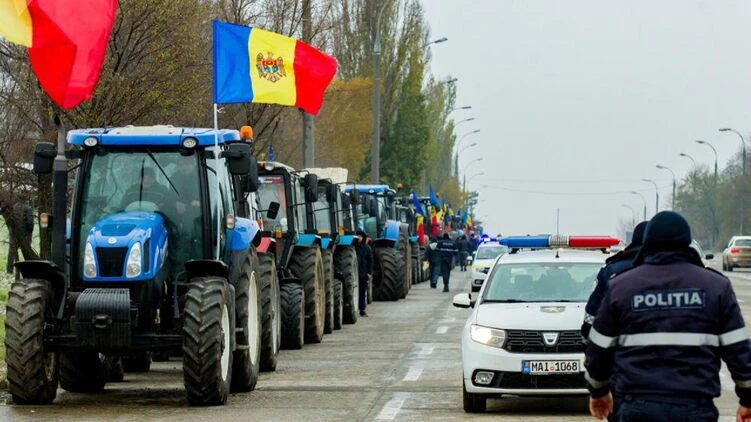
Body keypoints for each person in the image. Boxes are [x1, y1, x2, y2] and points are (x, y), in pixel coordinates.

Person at [585, 211, 751, 421]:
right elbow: (738, 350)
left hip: (637, 408)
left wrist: (598, 392)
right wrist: (747, 398)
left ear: (647, 243)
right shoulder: (716, 287)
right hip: (695, 409)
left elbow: (598, 349)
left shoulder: (621, 288)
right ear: (687, 243)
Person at [581, 221, 647, 341]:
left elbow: (593, 310)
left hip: (620, 346)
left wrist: (587, 336)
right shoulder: (669, 269)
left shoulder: (611, 270)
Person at [6, 200, 33, 273]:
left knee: (11, 251)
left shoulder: (13, 207)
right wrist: (29, 233)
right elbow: (30, 222)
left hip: (13, 232)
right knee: (27, 252)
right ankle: (29, 270)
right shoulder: (28, 208)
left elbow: (9, 220)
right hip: (24, 234)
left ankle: (9, 270)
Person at [356, 230, 373, 317]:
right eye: (357, 236)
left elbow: (370, 261)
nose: (359, 237)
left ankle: (362, 309)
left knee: (362, 292)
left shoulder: (366, 248)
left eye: (360, 236)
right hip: (355, 274)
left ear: (363, 237)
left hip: (363, 274)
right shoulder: (354, 248)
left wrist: (369, 273)